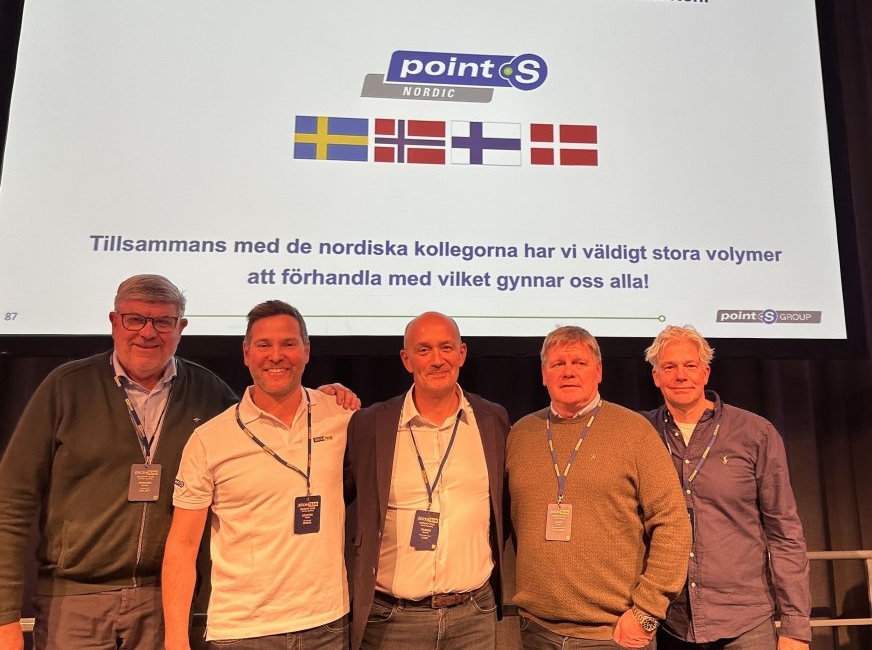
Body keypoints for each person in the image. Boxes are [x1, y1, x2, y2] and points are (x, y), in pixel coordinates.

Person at [0, 274, 236, 650]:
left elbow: (261, 442)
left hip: (166, 603)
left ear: (181, 328)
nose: (148, 332)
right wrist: (4, 618)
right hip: (74, 602)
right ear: (114, 322)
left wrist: (319, 400)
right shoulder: (66, 386)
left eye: (163, 321)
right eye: (135, 319)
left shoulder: (209, 393)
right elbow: (10, 503)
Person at [162, 300, 356, 649]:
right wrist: (176, 638)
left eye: (288, 344)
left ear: (306, 351)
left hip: (328, 625)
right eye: (264, 345)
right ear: (246, 353)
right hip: (243, 631)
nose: (276, 356)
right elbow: (183, 545)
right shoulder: (209, 439)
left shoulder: (342, 417)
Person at [506, 325, 692, 649]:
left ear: (599, 371)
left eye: (579, 363)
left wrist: (647, 612)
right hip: (536, 631)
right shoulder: (520, 435)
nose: (568, 372)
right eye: (558, 364)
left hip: (614, 635)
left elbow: (673, 524)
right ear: (544, 374)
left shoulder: (635, 432)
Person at [343, 311, 510, 650]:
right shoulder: (369, 424)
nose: (437, 360)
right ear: (407, 360)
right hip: (392, 621)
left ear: (461, 353)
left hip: (474, 618)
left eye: (446, 348)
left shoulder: (493, 419)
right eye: (423, 350)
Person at [643, 325, 811, 650]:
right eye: (670, 367)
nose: (681, 375)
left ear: (705, 373)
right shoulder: (640, 433)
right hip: (666, 623)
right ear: (656, 377)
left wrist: (795, 627)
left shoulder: (755, 433)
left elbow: (785, 533)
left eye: (690, 365)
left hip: (745, 623)